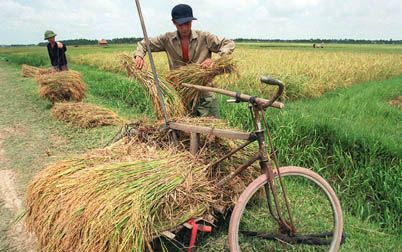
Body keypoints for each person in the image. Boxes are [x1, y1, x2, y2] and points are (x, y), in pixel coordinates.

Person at [134, 4, 235, 117]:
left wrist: (215, 61)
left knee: (211, 130)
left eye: (187, 24)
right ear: (174, 23)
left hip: (204, 93)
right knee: (185, 131)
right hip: (181, 94)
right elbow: (144, 44)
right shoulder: (167, 39)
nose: (184, 28)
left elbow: (229, 44)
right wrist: (139, 56)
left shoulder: (204, 37)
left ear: (192, 21)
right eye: (180, 25)